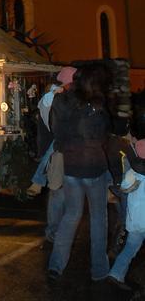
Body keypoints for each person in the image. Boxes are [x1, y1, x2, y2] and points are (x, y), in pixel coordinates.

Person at [47, 63, 112, 283]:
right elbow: (101, 135)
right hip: (93, 167)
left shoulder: (60, 101)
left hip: (71, 166)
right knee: (98, 219)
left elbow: (56, 130)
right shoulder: (96, 103)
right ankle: (99, 270)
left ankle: (56, 265)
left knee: (71, 215)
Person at [27, 66, 76, 246]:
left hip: (61, 153)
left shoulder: (55, 101)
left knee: (63, 195)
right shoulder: (55, 101)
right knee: (59, 195)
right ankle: (54, 233)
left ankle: (55, 232)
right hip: (58, 155)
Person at [107, 137, 145, 291]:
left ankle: (115, 273)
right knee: (131, 248)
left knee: (129, 248)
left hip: (135, 222)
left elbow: (123, 187)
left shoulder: (132, 173)